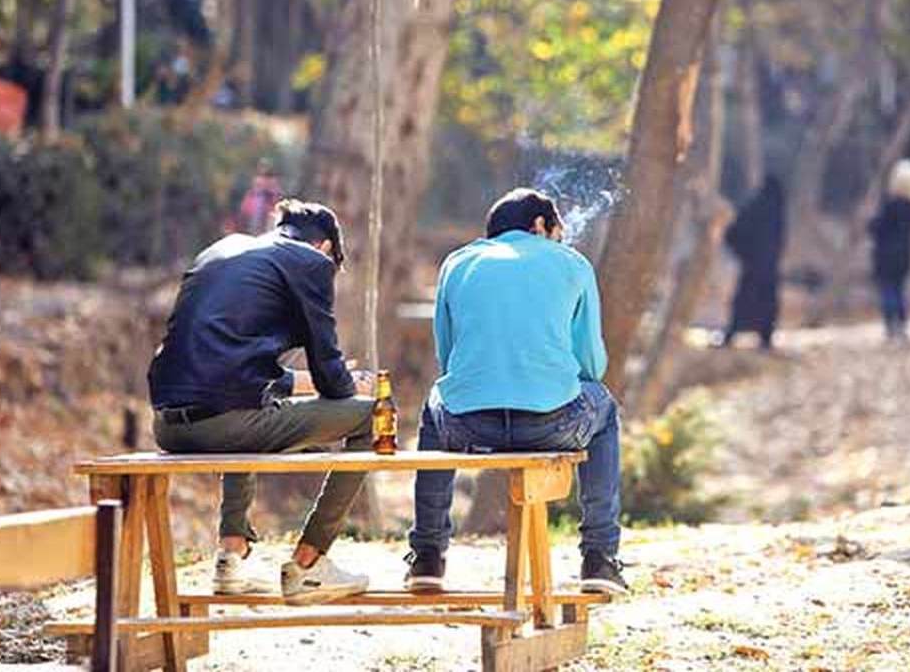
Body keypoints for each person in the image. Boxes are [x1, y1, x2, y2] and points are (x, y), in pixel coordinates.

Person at [148, 199, 375, 603]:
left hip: (168, 425)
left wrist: (308, 383)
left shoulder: (223, 250)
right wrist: (347, 384)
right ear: (325, 248)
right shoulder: (310, 262)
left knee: (252, 406)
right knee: (372, 418)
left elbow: (235, 370)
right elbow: (332, 378)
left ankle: (231, 557)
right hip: (224, 424)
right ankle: (310, 566)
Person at [404, 188, 627, 595]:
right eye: (557, 230)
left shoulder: (457, 264)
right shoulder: (572, 264)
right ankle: (600, 557)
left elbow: (447, 356)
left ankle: (427, 556)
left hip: (468, 429)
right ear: (540, 225)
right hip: (551, 424)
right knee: (605, 410)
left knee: (436, 404)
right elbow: (592, 366)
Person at [720, 175, 786, 350]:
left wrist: (745, 255)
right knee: (760, 305)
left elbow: (733, 232)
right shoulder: (773, 209)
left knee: (744, 303)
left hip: (754, 268)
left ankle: (735, 336)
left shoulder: (758, 206)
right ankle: (762, 339)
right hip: (765, 269)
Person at [869, 159, 910, 341]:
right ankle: (901, 325)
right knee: (899, 290)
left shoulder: (891, 205)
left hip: (886, 254)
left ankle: (890, 326)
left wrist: (869, 223)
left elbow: (878, 227)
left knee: (888, 290)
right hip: (904, 254)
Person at [236, 159, 284, 235]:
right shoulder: (252, 194)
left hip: (269, 224)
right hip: (252, 225)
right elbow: (244, 211)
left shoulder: (274, 191)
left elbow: (278, 203)